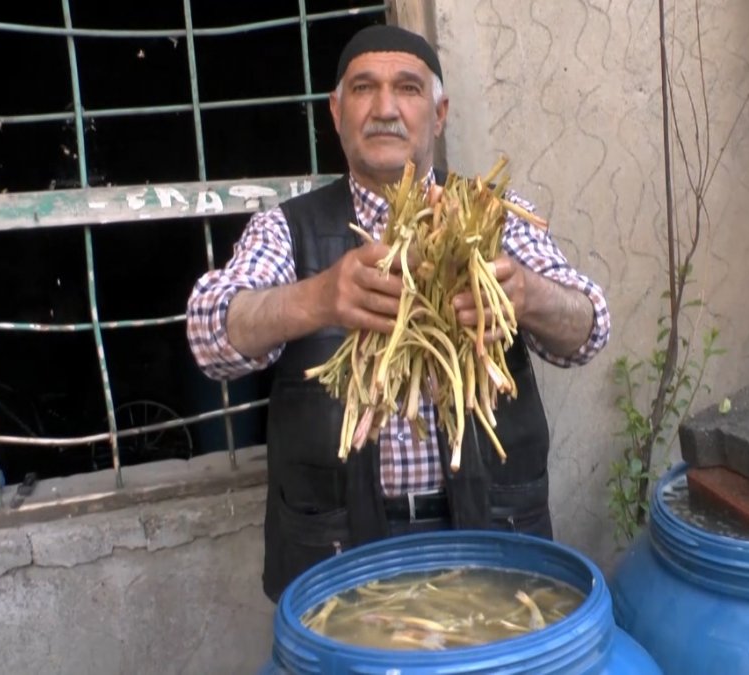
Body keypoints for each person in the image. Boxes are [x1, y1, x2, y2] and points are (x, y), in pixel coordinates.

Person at [186, 24, 610, 602]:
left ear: (439, 114)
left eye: (407, 88)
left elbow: (589, 329)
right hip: (340, 556)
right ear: (336, 112)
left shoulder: (494, 217)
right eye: (364, 88)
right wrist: (317, 298)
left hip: (494, 539)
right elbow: (208, 333)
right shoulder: (286, 229)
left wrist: (528, 295)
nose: (384, 109)